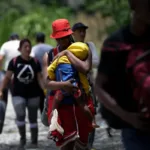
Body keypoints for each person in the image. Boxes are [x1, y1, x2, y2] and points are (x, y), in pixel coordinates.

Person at [95, 0, 150, 150]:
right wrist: (127, 116)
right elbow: (99, 87)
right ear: (133, 4)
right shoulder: (117, 44)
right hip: (137, 130)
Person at [42, 18, 93, 150]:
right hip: (61, 104)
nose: (61, 41)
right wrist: (64, 85)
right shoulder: (49, 55)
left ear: (70, 35)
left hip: (80, 101)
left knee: (83, 144)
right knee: (66, 145)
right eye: (58, 39)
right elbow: (46, 83)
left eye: (64, 38)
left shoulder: (83, 49)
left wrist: (67, 53)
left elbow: (86, 68)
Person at [0, 39, 44, 148]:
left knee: (33, 119)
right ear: (20, 49)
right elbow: (7, 77)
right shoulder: (14, 62)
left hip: (34, 94)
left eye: (29, 46)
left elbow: (39, 79)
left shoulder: (35, 62)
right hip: (18, 94)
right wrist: (1, 89)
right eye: (25, 47)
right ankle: (22, 140)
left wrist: (45, 91)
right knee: (20, 116)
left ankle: (34, 141)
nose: (28, 49)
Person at [47, 42, 96, 126]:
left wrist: (54, 77)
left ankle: (51, 124)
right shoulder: (76, 60)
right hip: (75, 87)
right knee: (82, 104)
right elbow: (82, 76)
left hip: (61, 89)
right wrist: (86, 88)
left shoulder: (59, 58)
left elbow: (50, 70)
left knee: (54, 106)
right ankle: (92, 121)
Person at [72, 22, 99, 150]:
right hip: (74, 88)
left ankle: (89, 145)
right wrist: (84, 62)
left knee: (91, 114)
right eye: (79, 31)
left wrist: (76, 60)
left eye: (84, 31)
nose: (82, 34)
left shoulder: (90, 45)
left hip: (89, 86)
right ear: (73, 33)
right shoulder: (70, 46)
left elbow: (96, 62)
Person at [0, 33, 20, 133]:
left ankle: (1, 119)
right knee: (17, 97)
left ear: (10, 38)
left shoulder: (5, 45)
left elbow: (0, 58)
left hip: (6, 74)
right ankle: (20, 119)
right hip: (19, 75)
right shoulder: (21, 43)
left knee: (3, 97)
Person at [31, 32, 53, 113]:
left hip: (37, 75)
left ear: (36, 39)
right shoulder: (50, 48)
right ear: (44, 39)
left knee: (39, 94)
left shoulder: (33, 49)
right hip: (49, 74)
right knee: (49, 94)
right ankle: (49, 110)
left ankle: (42, 112)